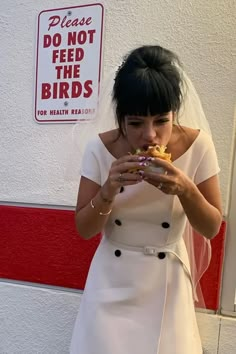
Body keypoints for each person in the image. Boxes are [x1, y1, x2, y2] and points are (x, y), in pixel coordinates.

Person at [70, 45, 222, 354]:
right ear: (121, 118)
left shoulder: (198, 146)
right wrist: (108, 190)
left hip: (167, 283)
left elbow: (212, 227)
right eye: (136, 123)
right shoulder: (99, 149)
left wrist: (186, 189)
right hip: (110, 282)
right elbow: (84, 229)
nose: (150, 136)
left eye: (161, 121)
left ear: (174, 113)